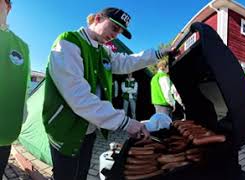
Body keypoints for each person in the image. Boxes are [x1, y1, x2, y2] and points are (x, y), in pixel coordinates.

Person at [42, 7, 171, 180]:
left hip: (88, 129)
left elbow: (126, 62)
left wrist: (157, 54)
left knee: (81, 173)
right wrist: (125, 122)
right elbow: (78, 96)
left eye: (120, 32)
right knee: (66, 175)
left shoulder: (103, 51)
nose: (115, 35)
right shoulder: (68, 42)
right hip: (65, 128)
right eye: (114, 28)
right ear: (97, 18)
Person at [0, 0, 30, 178]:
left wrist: (22, 112)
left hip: (5, 131)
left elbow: (25, 84)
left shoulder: (22, 47)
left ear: (8, 7)